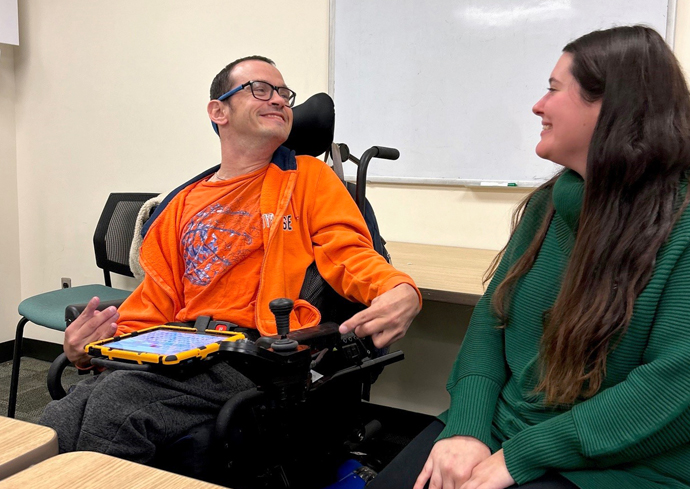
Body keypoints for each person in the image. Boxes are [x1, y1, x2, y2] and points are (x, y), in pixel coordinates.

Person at [39, 55, 421, 463]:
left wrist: (399, 288)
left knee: (117, 408)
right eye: (260, 89)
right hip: (178, 345)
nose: (279, 100)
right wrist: (95, 351)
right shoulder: (181, 202)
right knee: (57, 419)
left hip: (251, 354)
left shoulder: (308, 178)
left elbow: (349, 253)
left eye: (284, 93)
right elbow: (155, 300)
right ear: (217, 110)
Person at [367, 25, 690, 489]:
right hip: (505, 430)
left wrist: (521, 456)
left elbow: (672, 389)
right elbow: (491, 321)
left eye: (554, 90)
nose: (538, 105)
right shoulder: (549, 205)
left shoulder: (681, 224)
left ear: (611, 107)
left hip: (621, 462)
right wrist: (467, 428)